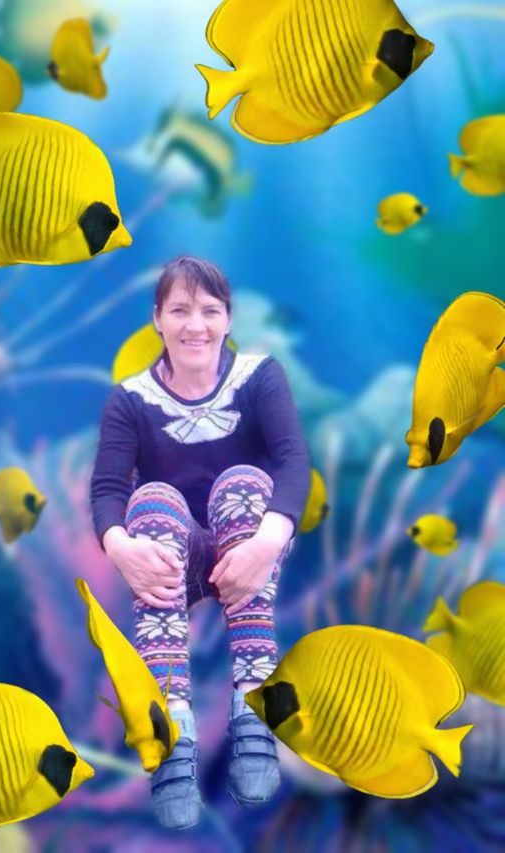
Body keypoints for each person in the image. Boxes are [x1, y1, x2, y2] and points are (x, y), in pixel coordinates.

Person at [90, 255, 310, 829]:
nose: (196, 325)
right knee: (149, 499)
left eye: (210, 311)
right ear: (157, 318)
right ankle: (173, 735)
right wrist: (121, 548)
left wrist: (267, 543)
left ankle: (255, 710)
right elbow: (108, 489)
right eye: (180, 310)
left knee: (244, 483)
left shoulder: (260, 377)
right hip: (172, 561)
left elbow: (293, 462)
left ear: (228, 319)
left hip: (249, 549)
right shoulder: (130, 398)